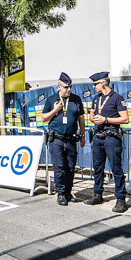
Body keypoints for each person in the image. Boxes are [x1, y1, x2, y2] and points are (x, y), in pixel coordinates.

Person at [40, 73, 86, 206]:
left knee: (71, 168)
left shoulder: (76, 99)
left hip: (71, 139)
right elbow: (43, 118)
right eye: (66, 87)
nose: (69, 90)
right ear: (59, 86)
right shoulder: (51, 99)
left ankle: (68, 192)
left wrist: (82, 135)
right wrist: (55, 110)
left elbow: (81, 119)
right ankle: (60, 193)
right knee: (59, 168)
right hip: (57, 139)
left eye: (70, 87)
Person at [88, 71, 131, 213]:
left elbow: (125, 119)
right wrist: (92, 117)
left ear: (103, 83)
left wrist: (106, 120)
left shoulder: (117, 98)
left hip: (111, 138)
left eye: (95, 84)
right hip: (98, 136)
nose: (94, 87)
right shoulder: (96, 98)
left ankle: (120, 200)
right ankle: (97, 194)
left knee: (116, 169)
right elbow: (92, 114)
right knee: (98, 168)